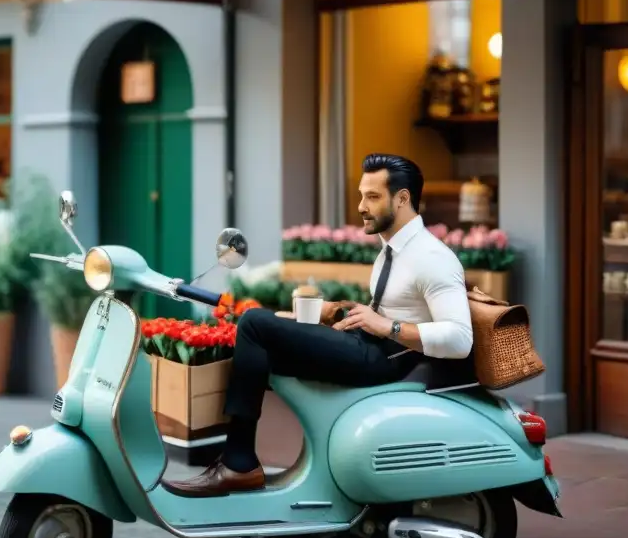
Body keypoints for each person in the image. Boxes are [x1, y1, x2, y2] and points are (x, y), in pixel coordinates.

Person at [164, 153, 474, 498]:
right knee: (261, 339)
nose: (361, 206)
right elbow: (390, 310)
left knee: (254, 324)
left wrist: (388, 327)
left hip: (383, 361)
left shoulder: (432, 258)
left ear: (403, 199)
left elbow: (461, 339)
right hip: (368, 344)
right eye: (361, 195)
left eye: (372, 197)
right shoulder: (394, 248)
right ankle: (249, 460)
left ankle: (238, 463)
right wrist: (340, 313)